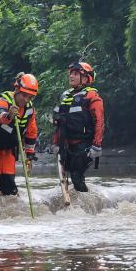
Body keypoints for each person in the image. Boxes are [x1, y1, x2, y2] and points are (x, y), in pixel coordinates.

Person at [0, 73, 39, 196]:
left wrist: (29, 156)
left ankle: (9, 209)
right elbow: (0, 115)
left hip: (8, 149)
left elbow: (31, 132)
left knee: (9, 188)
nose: (26, 100)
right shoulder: (0, 102)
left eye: (30, 98)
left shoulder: (30, 110)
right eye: (24, 96)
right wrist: (9, 115)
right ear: (16, 90)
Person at [53, 61, 104, 192]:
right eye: (71, 73)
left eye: (75, 74)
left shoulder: (92, 96)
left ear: (86, 78)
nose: (71, 76)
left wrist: (96, 146)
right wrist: (56, 143)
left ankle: (84, 208)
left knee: (76, 175)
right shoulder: (65, 96)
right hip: (66, 145)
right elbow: (59, 122)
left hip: (84, 145)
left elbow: (99, 122)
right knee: (66, 177)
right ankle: (73, 206)